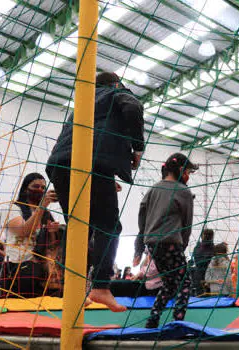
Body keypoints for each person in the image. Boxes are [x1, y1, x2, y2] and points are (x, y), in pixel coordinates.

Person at [47, 72, 144, 312]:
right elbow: (134, 107)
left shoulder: (83, 102)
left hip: (59, 164)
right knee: (109, 226)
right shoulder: (116, 92)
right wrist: (137, 147)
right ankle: (100, 286)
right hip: (91, 161)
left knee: (79, 226)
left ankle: (74, 288)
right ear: (117, 83)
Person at [134, 153, 197, 328]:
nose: (188, 177)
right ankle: (178, 321)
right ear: (180, 170)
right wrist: (182, 245)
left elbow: (142, 218)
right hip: (171, 241)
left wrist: (140, 245)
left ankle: (153, 319)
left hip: (152, 243)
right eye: (188, 172)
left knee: (169, 283)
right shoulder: (183, 191)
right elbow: (187, 223)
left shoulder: (153, 189)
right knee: (185, 282)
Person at [0, 173, 60, 298]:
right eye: (36, 186)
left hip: (42, 268)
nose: (40, 190)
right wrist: (42, 206)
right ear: (25, 188)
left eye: (43, 188)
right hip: (18, 267)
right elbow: (23, 231)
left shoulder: (45, 213)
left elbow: (52, 244)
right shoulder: (13, 209)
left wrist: (52, 231)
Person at [191, 228, 215, 296]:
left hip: (200, 273)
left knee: (201, 294)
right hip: (208, 274)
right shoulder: (212, 248)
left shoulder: (197, 247)